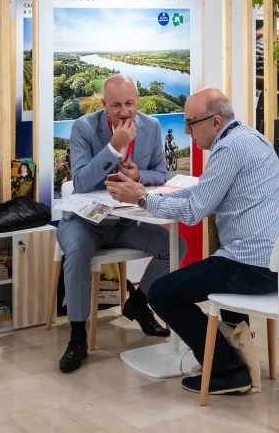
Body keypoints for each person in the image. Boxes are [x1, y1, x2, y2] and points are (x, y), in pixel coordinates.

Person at [105, 88, 279, 395]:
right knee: (220, 271)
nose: (186, 131)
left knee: (161, 293)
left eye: (191, 123)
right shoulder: (251, 138)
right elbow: (203, 191)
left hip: (257, 267)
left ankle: (227, 370)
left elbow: (195, 212)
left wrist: (142, 199)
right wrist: (148, 192)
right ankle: (236, 357)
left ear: (216, 121)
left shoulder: (228, 151)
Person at [57, 74, 187, 373]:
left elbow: (161, 174)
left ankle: (139, 303)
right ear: (104, 104)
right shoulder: (84, 128)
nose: (125, 111)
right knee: (76, 254)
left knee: (175, 246)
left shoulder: (151, 126)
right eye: (116, 105)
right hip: (85, 221)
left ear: (137, 101)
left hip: (126, 222)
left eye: (130, 103)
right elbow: (81, 182)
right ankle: (77, 336)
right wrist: (114, 147)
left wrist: (139, 176)